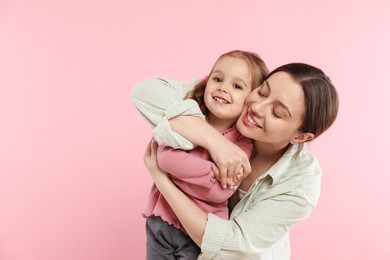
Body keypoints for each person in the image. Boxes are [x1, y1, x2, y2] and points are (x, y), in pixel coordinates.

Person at [132, 62, 339, 259]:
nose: (257, 108)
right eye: (262, 91)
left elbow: (231, 247)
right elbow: (146, 93)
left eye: (277, 113)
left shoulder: (301, 186)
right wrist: (216, 143)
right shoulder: (233, 99)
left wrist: (162, 179)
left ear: (300, 137)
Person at [134, 50, 269, 259]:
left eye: (237, 86)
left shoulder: (242, 143)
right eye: (217, 79)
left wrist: (175, 172)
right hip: (160, 221)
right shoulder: (189, 115)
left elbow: (219, 193)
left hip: (198, 232)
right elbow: (165, 158)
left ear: (250, 100)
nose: (223, 88)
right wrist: (211, 173)